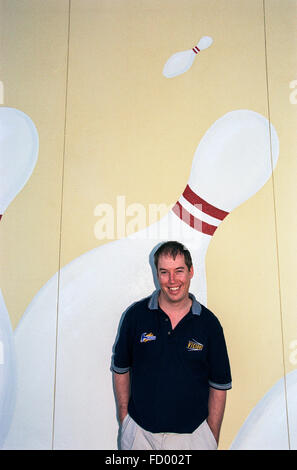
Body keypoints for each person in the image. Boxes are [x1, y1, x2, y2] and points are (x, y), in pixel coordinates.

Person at [112, 241, 232, 450]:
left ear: (191, 271)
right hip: (140, 437)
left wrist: (210, 435)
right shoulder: (135, 317)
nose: (172, 280)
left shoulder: (209, 324)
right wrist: (125, 419)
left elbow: (219, 385)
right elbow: (121, 369)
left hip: (194, 439)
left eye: (179, 271)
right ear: (156, 274)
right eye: (164, 272)